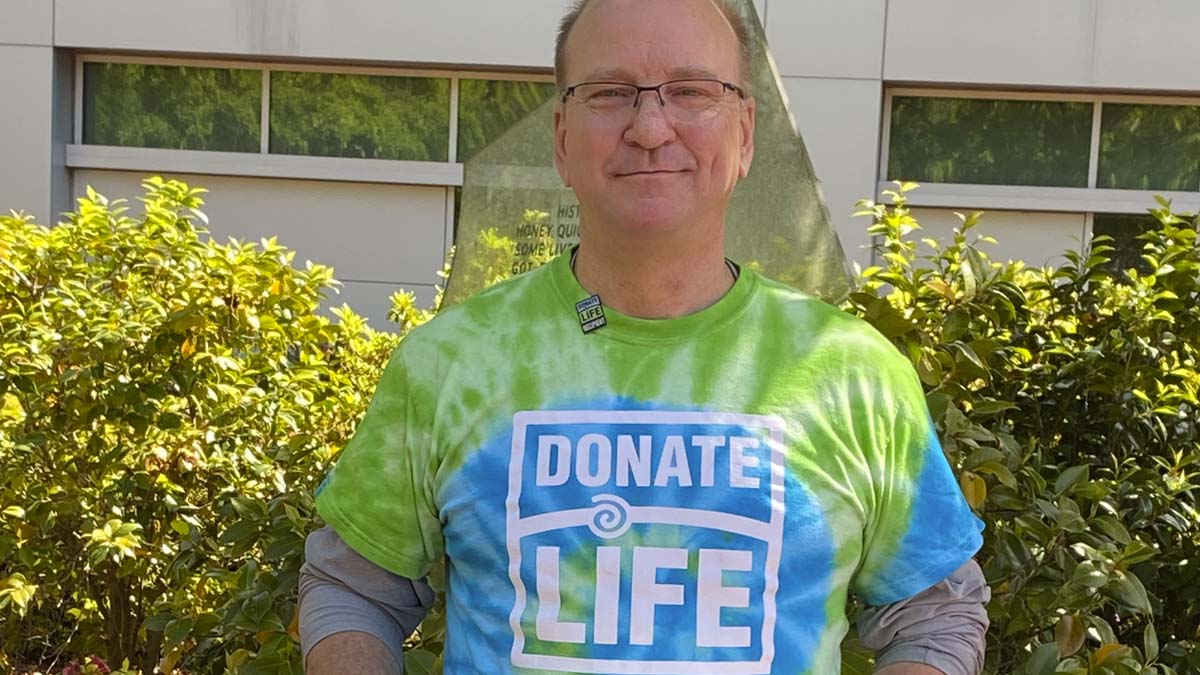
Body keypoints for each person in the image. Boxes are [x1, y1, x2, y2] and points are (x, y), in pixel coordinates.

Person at [299, 0, 991, 673]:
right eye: (610, 93)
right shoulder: (450, 363)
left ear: (745, 134)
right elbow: (354, 588)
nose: (652, 127)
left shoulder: (854, 373)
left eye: (691, 91)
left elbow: (936, 612)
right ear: (563, 138)